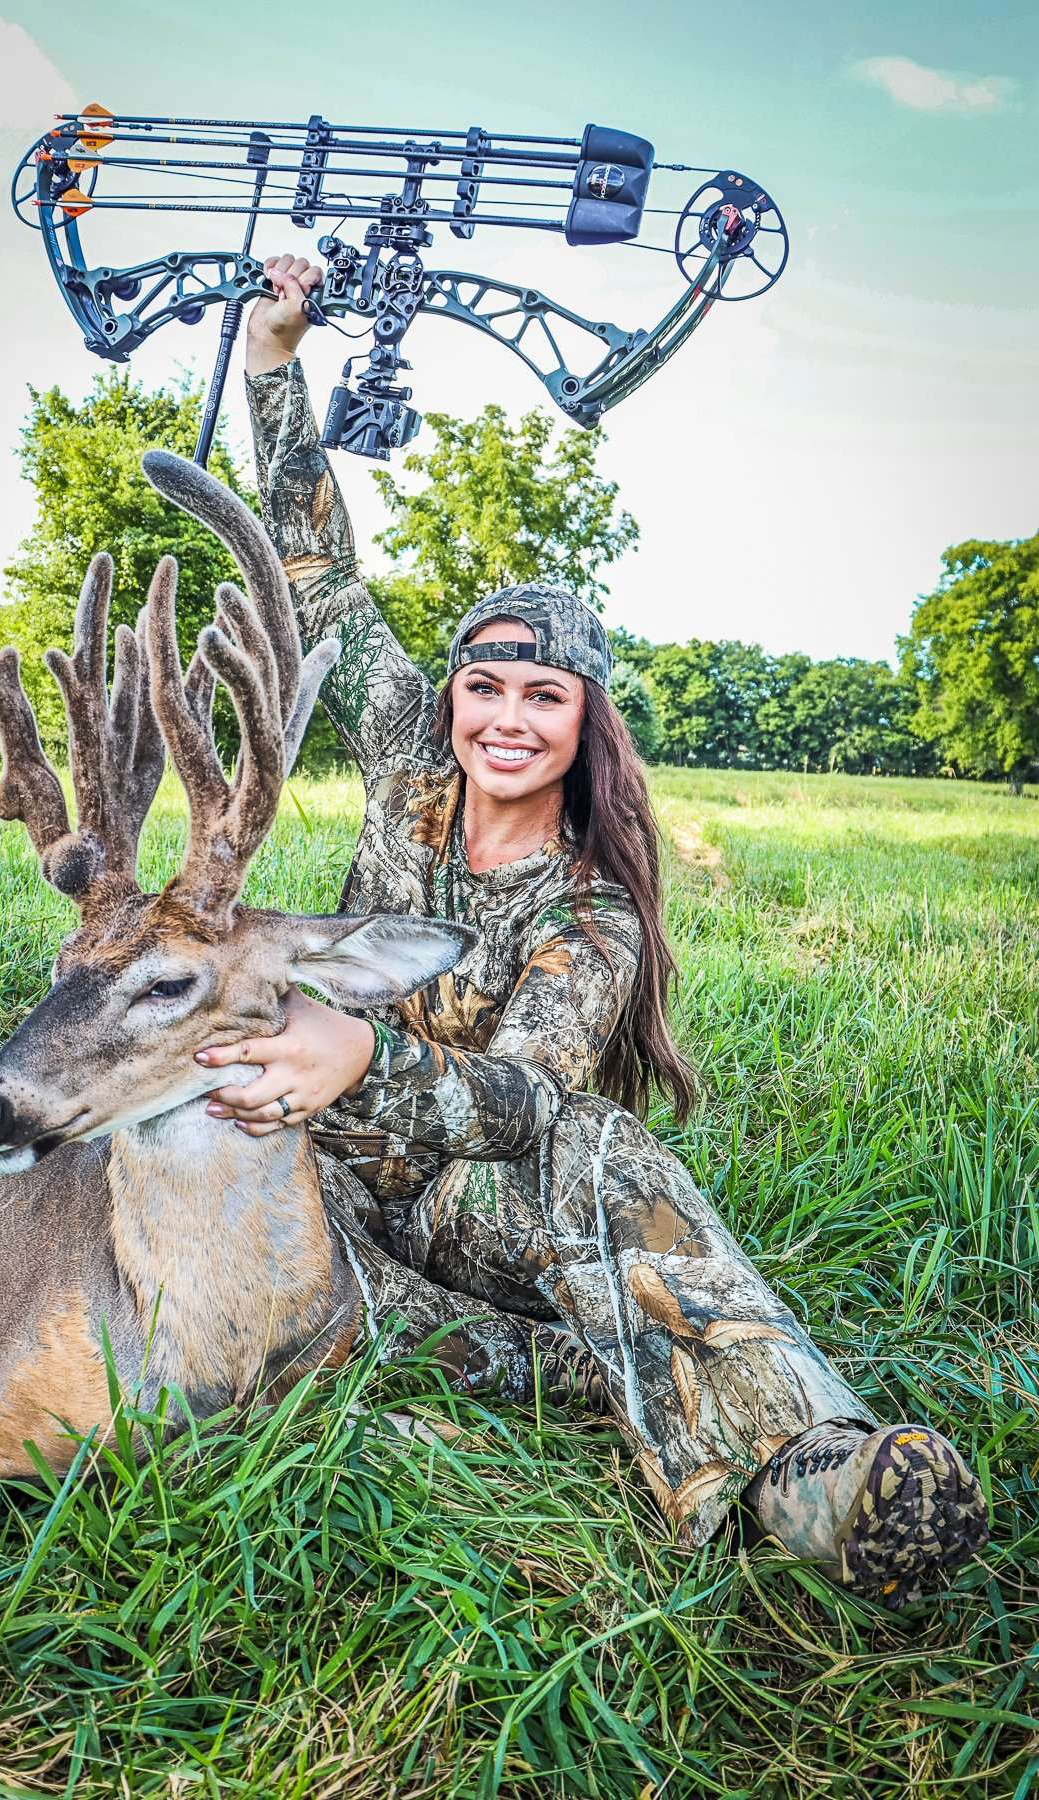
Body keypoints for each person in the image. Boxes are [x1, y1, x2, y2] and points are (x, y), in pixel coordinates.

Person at [188, 252, 987, 1609]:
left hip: (456, 1193)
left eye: (541, 696)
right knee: (525, 1326)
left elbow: (520, 1101)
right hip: (307, 1176)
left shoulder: (591, 904)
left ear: (583, 721)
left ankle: (829, 1471)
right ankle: (660, 1409)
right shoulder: (404, 758)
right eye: (482, 684)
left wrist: (360, 1061)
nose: (504, 717)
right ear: (449, 697)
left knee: (599, 1143)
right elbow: (318, 571)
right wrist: (273, 365)